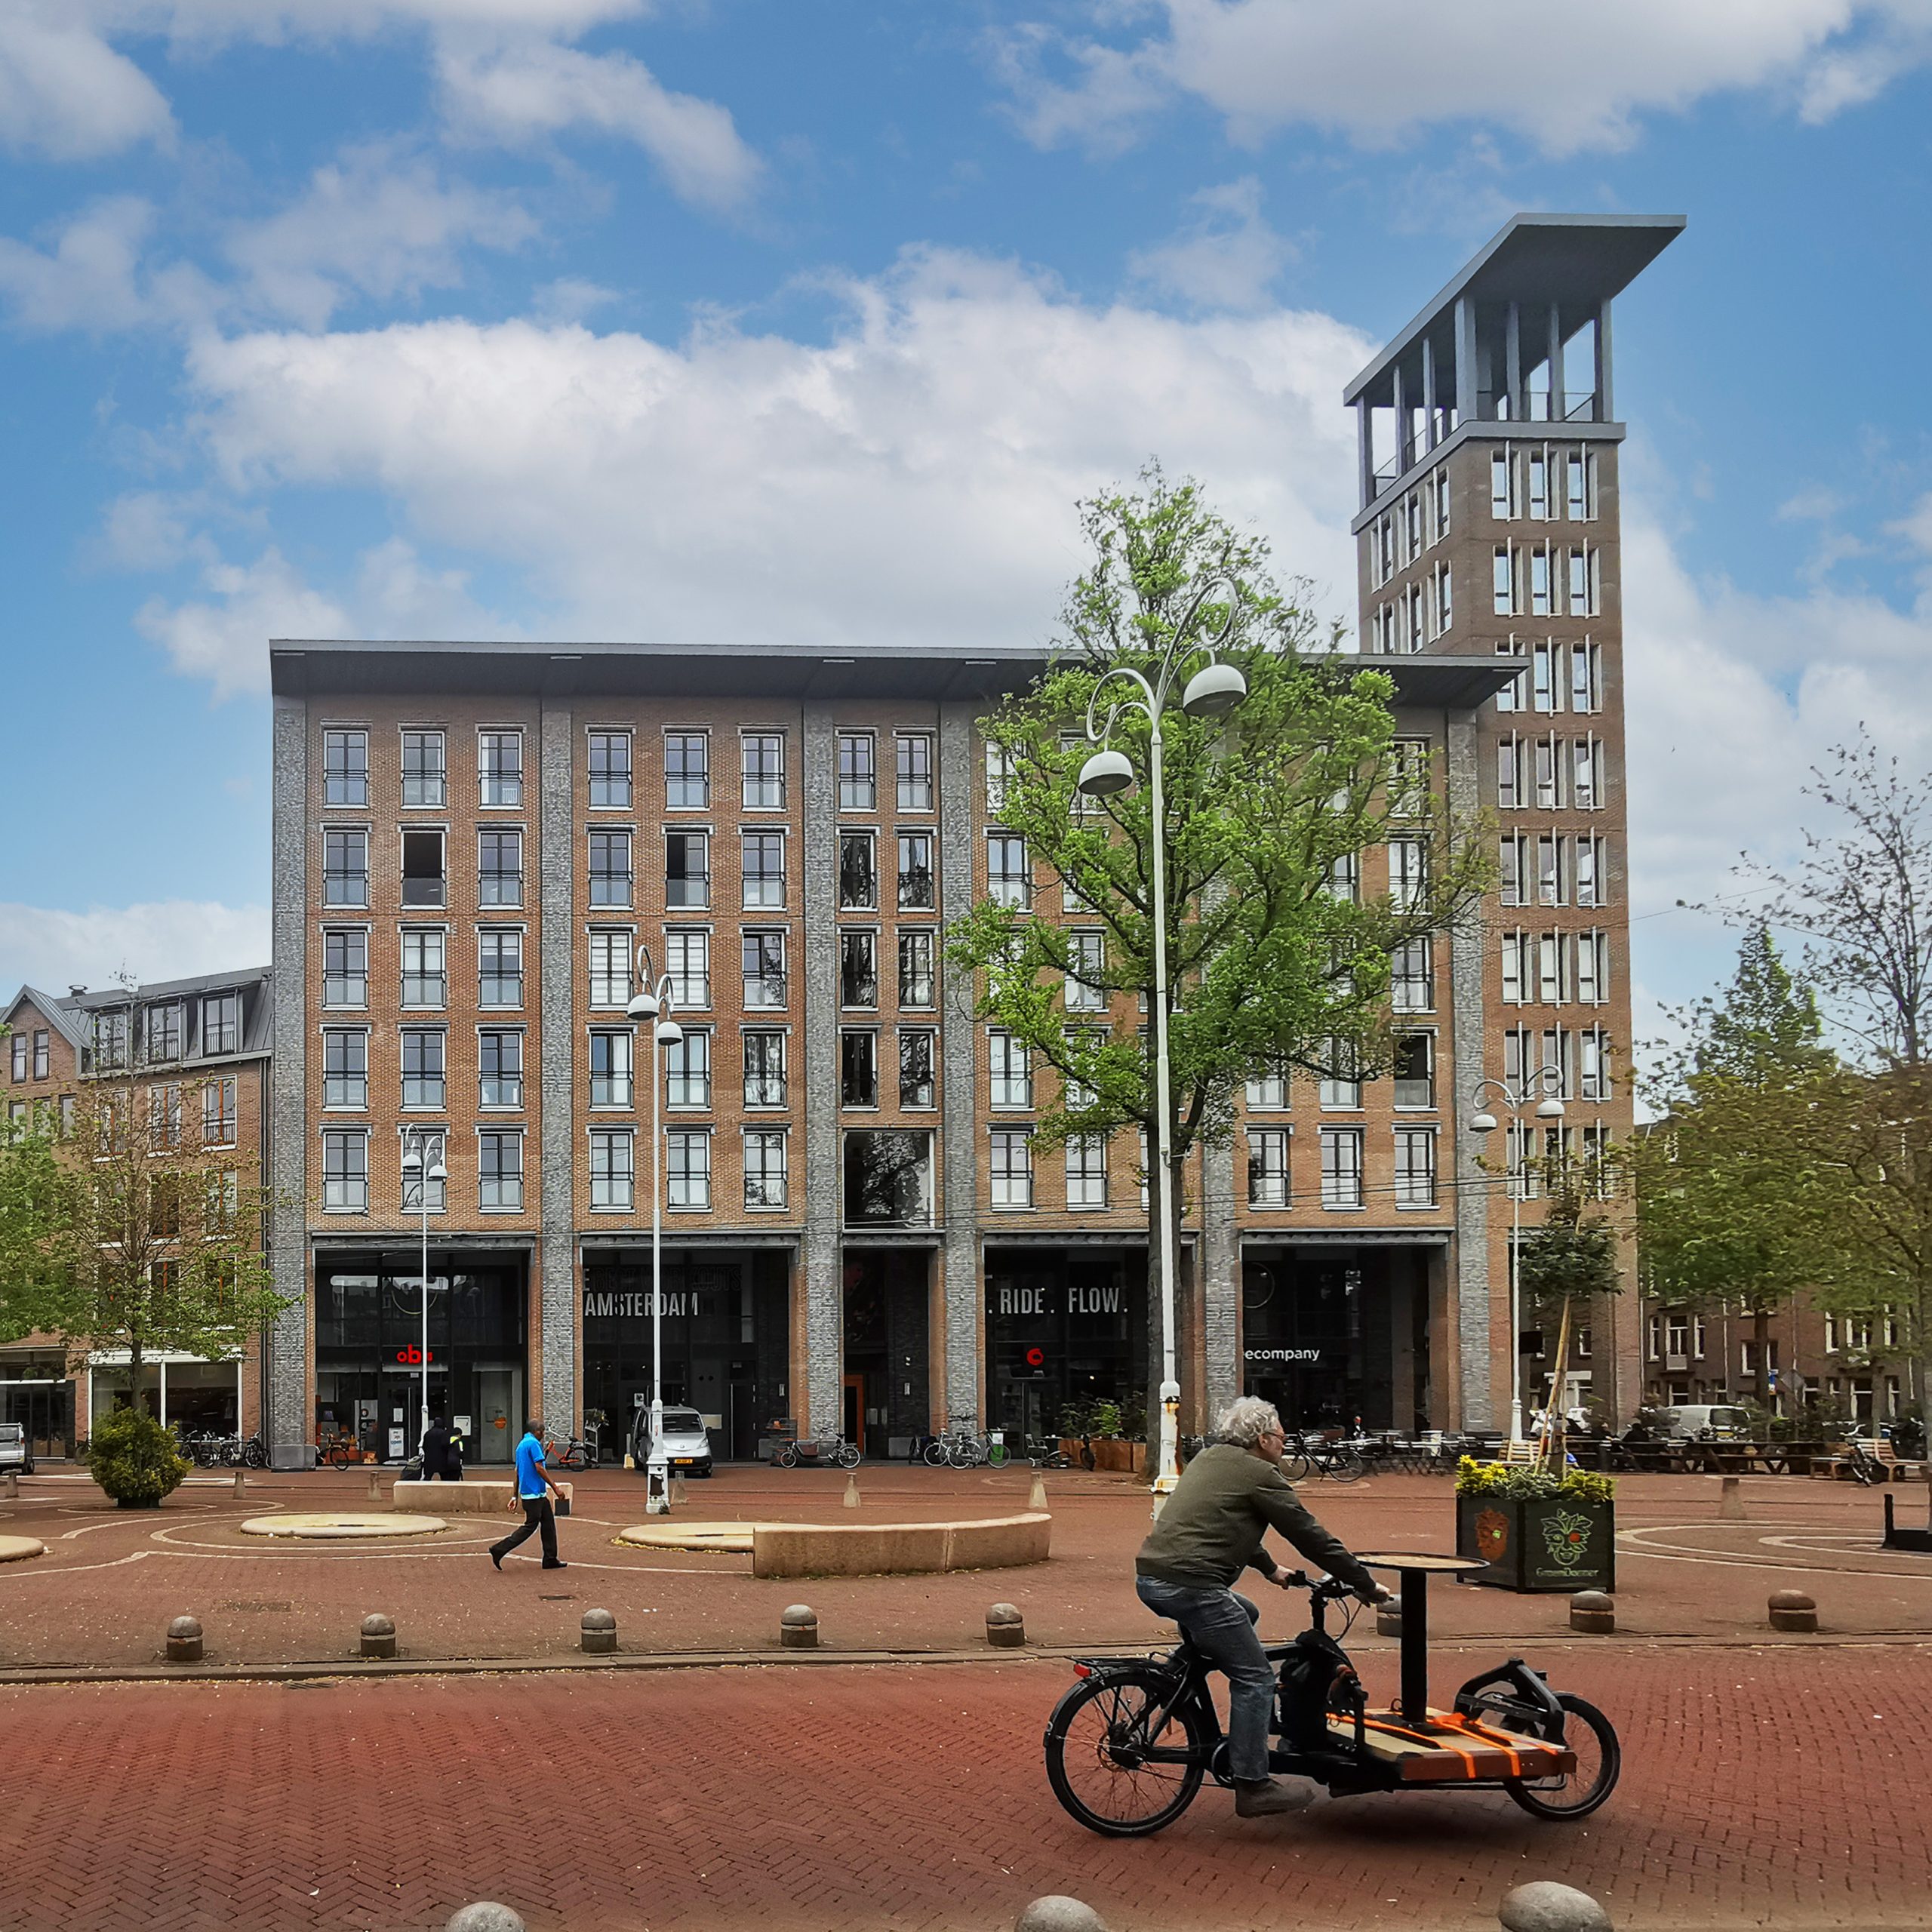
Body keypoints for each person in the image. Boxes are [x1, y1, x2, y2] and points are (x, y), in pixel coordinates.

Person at [1136, 1395, 1389, 1819]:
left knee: (1245, 1612)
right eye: (1281, 1436)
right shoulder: (1260, 1474)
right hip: (1192, 1586)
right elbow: (1310, 1536)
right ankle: (1253, 1785)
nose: (1284, 1442)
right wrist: (1364, 1584)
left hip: (1153, 1577)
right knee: (1255, 1679)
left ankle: (1177, 1674)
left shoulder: (1210, 1459)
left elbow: (1224, 1523)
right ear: (1262, 1439)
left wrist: (1271, 1569)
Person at [490, 1417, 568, 1571]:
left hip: (533, 1494)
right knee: (530, 1526)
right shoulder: (533, 1444)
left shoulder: (522, 1445)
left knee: (548, 1524)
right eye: (542, 1431)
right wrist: (555, 1487)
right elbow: (539, 1467)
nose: (544, 1435)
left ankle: (550, 1558)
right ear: (537, 1431)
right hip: (534, 1494)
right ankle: (499, 1549)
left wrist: (515, 1496)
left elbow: (518, 1471)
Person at [420, 1412, 463, 1482]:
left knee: (428, 1477)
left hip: (430, 1459)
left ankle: (425, 1488)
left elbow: (424, 1445)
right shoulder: (444, 1433)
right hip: (442, 1459)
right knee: (444, 1478)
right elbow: (446, 1445)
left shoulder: (428, 1433)